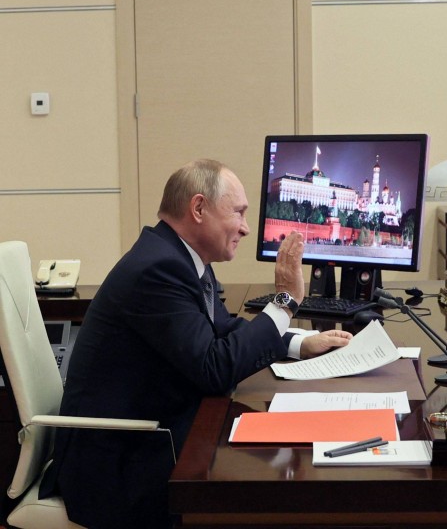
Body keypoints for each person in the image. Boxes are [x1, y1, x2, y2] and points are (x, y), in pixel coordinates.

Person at [40, 159, 353, 528]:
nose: (246, 227)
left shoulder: (177, 256)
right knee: (274, 487)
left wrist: (299, 343)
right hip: (118, 466)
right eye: (238, 212)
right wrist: (284, 303)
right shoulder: (157, 268)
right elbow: (214, 368)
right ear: (199, 208)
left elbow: (221, 328)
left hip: (152, 433)